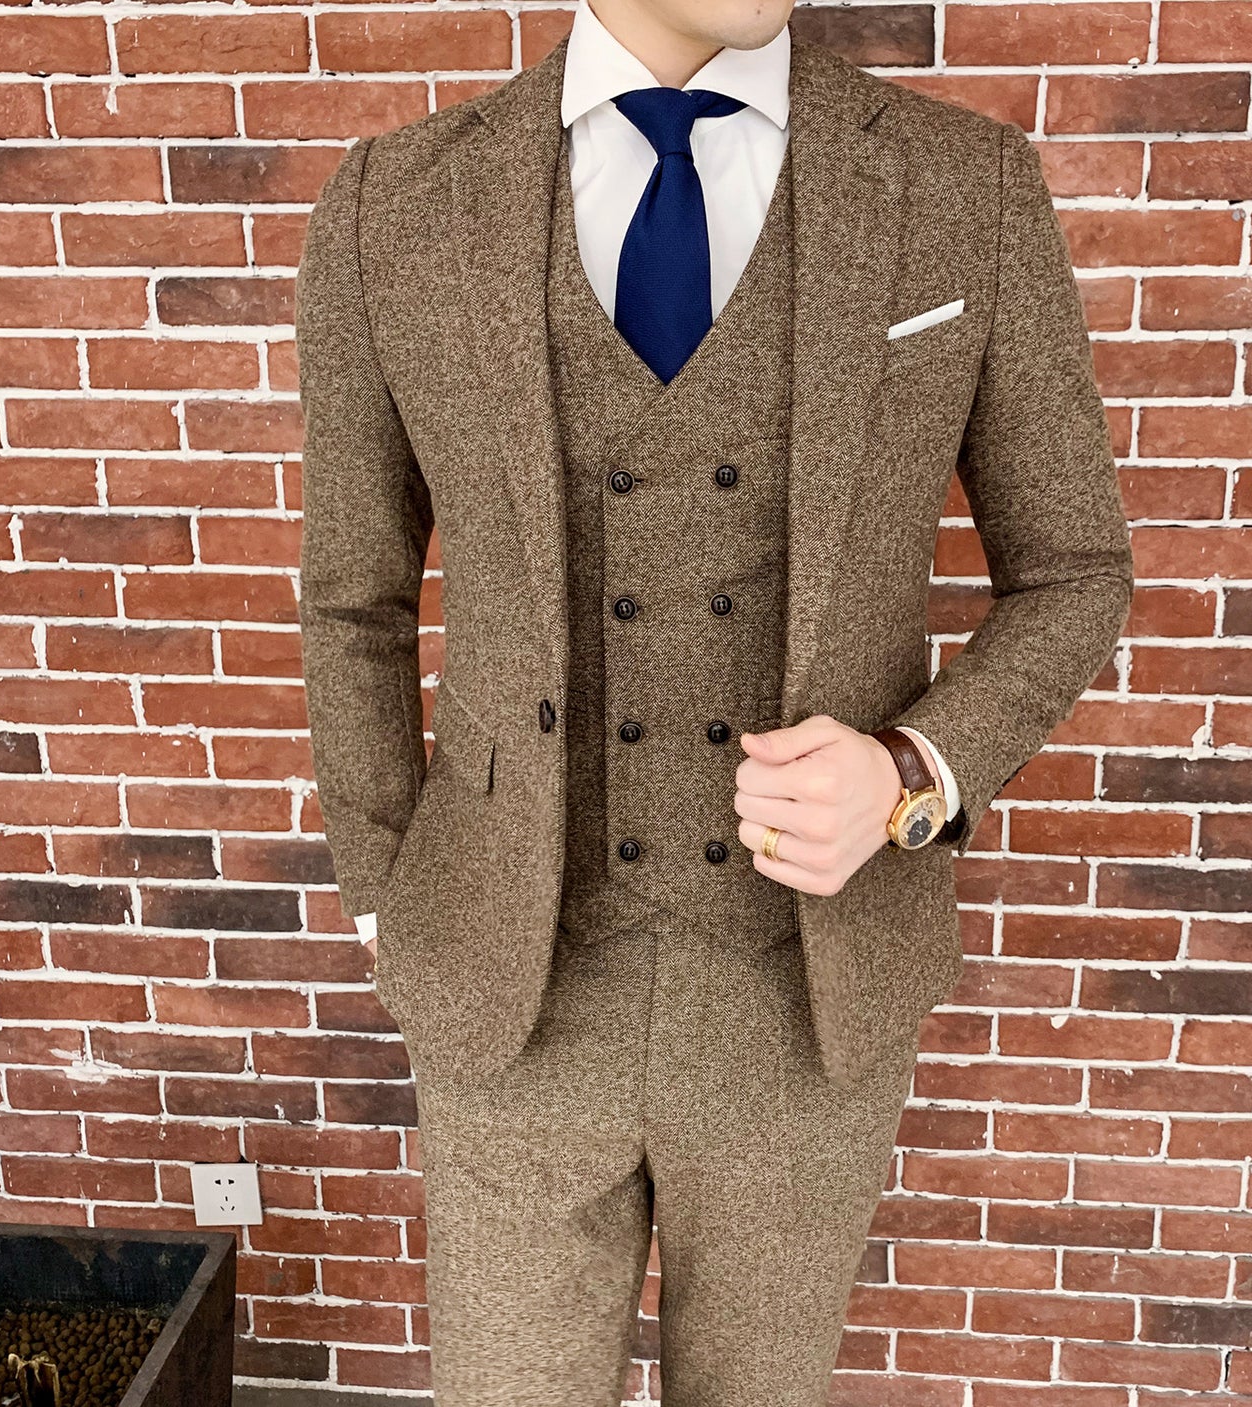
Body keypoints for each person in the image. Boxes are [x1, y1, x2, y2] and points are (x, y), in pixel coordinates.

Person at [293, 0, 1134, 1400]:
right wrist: (390, 897)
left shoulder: (958, 185)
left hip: (803, 995)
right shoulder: (396, 203)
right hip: (508, 979)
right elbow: (351, 599)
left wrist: (915, 770)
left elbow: (1073, 570)